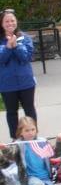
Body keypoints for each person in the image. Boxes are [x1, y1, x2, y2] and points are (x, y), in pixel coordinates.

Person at [0, 116, 61, 185]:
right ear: (20, 132)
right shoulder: (19, 144)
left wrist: (59, 142)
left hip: (45, 177)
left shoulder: (42, 141)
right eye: (27, 130)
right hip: (31, 177)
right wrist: (4, 148)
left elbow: (54, 154)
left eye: (33, 129)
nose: (30, 133)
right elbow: (12, 155)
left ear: (36, 129)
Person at [0, 9, 37, 140]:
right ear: (1, 23)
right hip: (7, 84)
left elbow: (26, 57)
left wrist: (16, 46)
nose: (10, 23)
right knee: (11, 112)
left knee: (30, 110)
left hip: (26, 82)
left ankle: (33, 135)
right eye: (6, 21)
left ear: (16, 22)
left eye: (12, 20)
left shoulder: (25, 38)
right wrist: (8, 47)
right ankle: (15, 139)